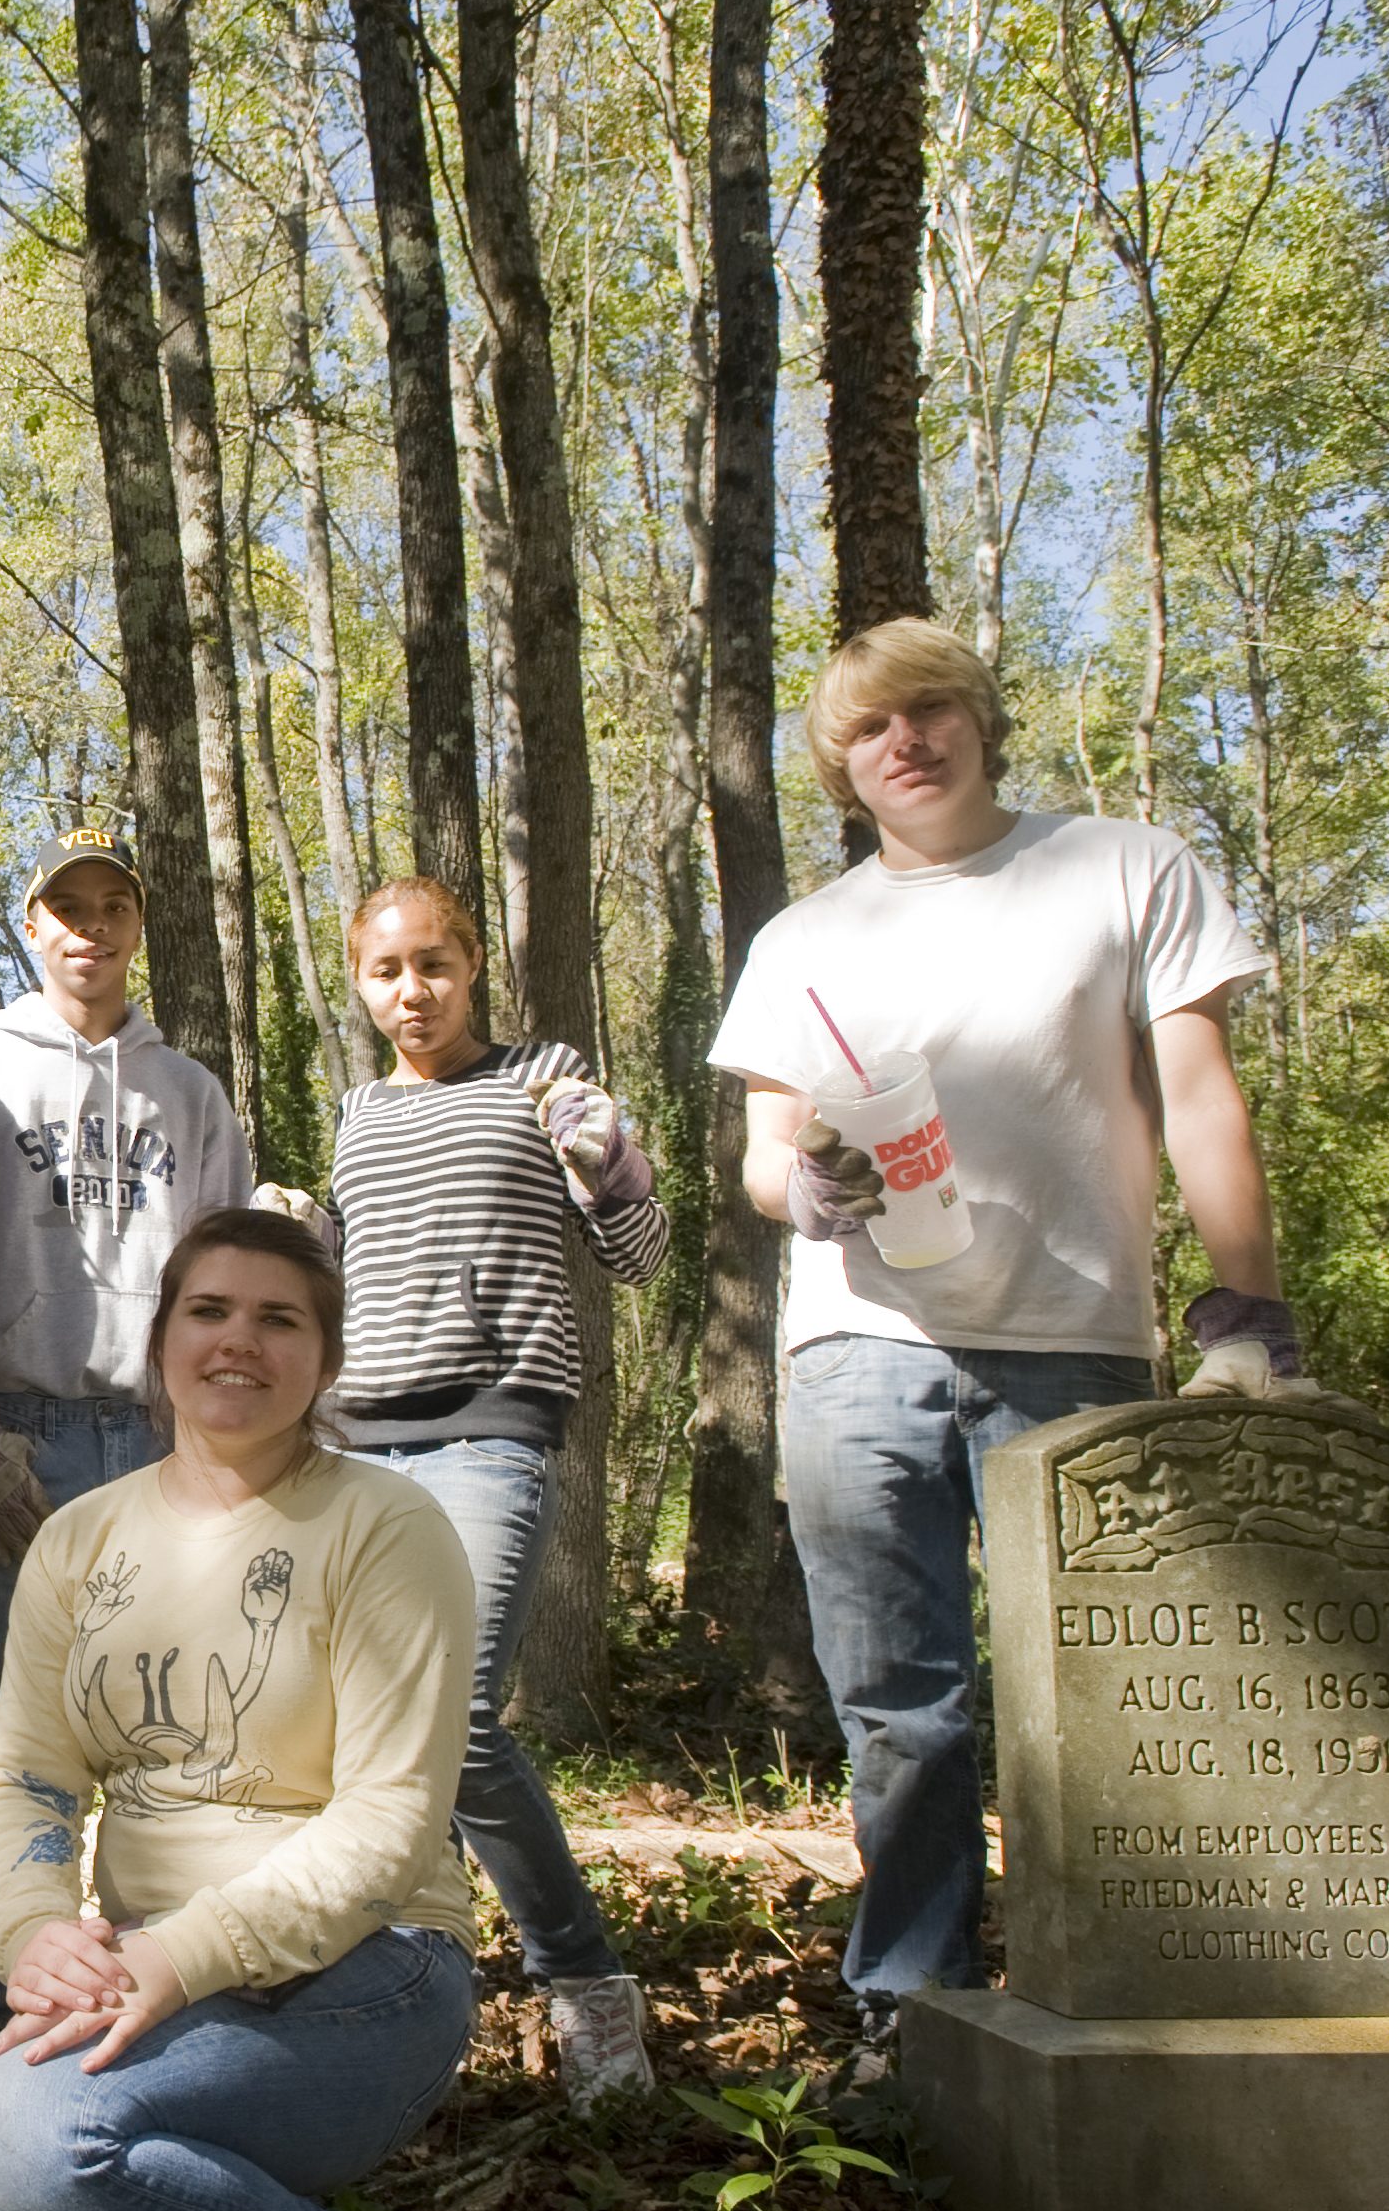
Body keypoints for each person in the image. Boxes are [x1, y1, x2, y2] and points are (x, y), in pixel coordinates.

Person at [707, 616, 1288, 2081]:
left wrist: (1246, 1316)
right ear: (842, 771)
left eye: (931, 709)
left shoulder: (1124, 868)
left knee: (1097, 1705)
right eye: (870, 730)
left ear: (979, 721)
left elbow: (1203, 1099)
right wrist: (810, 1185)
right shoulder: (806, 942)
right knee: (902, 1707)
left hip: (1078, 1349)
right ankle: (916, 2014)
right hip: (856, 1355)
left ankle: (1121, 1998)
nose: (906, 741)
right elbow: (768, 1162)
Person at [0, 1205, 480, 2211]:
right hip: (142, 1980)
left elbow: (389, 1825)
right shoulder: (79, 1539)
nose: (238, 1344)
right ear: (160, 1340)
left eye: (279, 1320)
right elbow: (25, 1777)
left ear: (324, 1357)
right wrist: (34, 1934)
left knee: (28, 2131)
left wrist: (174, 1954)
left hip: (364, 1975)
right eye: (208, 1311)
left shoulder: (383, 1527)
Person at [323, 876, 670, 2106]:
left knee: (454, 1717)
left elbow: (635, 1252)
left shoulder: (543, 1077)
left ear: (471, 967)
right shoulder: (356, 1113)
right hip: (355, 1441)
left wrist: (603, 1158)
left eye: (432, 966)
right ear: (357, 983)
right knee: (356, 1733)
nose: (409, 993)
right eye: (383, 972)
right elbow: (347, 1283)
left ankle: (584, 1986)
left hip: (488, 1434)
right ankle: (387, 1981)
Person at [0, 823, 249, 2054]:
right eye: (67, 906)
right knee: (5, 1732)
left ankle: (165, 1978)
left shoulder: (188, 1093)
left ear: (135, 929)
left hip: (158, 1441)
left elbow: (228, 1289)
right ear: (32, 925)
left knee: (185, 1725)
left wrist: (218, 1444)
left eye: (113, 906)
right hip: (18, 1432)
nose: (89, 928)